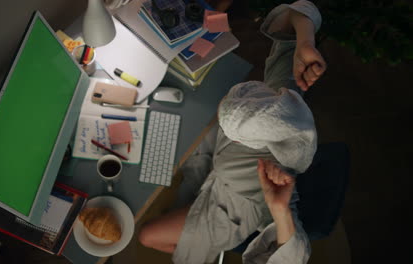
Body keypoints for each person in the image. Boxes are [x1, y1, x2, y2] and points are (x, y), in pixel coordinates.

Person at [139, 1, 327, 263]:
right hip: (214, 170)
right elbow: (302, 10)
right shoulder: (281, 101)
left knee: (148, 236)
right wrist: (305, 42)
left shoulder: (277, 182)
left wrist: (280, 209)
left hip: (229, 215)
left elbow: (295, 258)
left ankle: (196, 242)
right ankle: (189, 218)